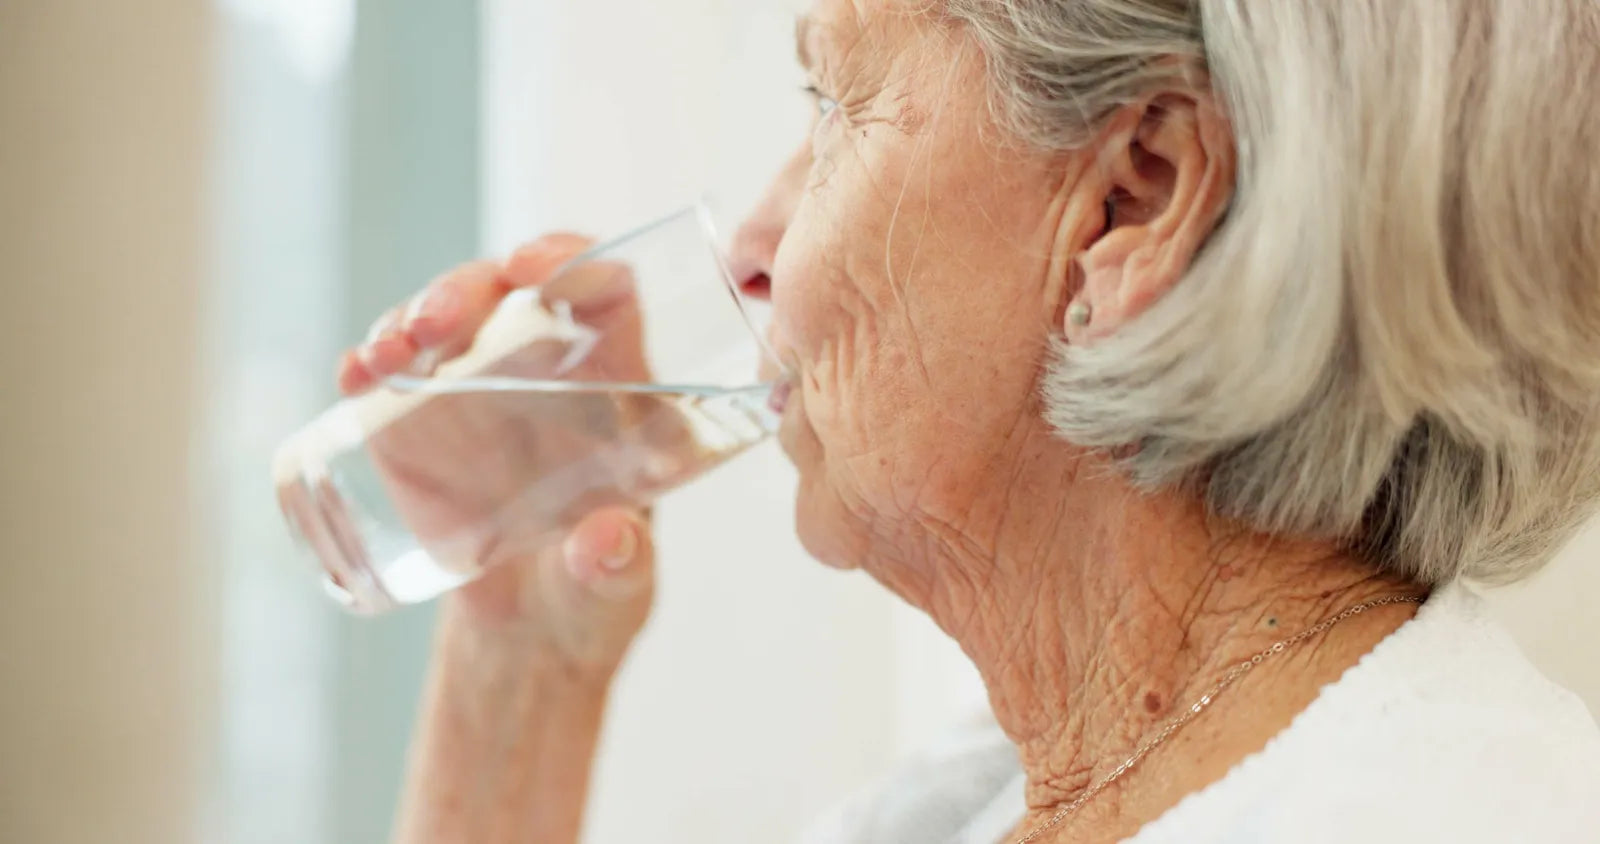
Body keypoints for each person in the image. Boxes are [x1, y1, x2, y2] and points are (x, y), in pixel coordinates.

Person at [338, 1, 1600, 841]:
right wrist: (519, 666)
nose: (755, 246)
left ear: (1130, 204)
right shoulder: (990, 796)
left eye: (834, 105)